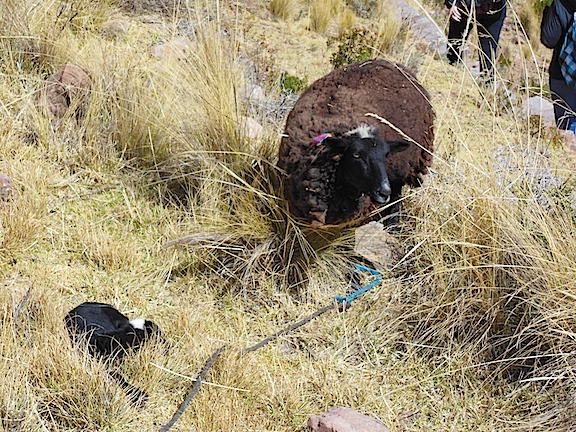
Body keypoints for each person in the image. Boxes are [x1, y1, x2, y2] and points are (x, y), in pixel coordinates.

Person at [445, 0, 507, 80]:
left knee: (488, 57)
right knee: (454, 50)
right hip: (463, 6)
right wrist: (451, 3)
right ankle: (451, 79)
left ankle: (486, 87)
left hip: (493, 11)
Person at [541, 0, 576, 131]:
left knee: (568, 132)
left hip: (562, 76)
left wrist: (548, 12)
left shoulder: (564, 3)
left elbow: (549, 39)